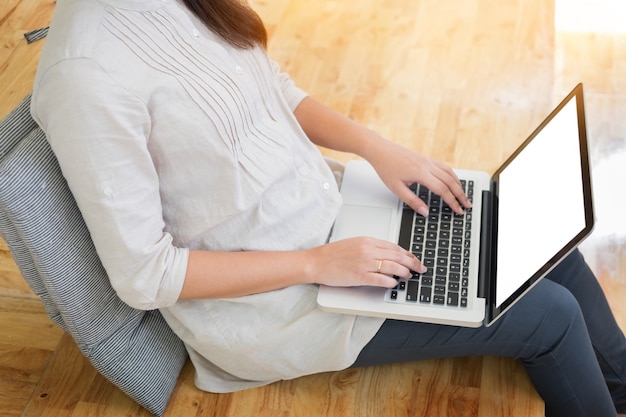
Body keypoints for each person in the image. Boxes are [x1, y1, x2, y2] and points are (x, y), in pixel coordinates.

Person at [30, 0, 626, 415]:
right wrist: (319, 263)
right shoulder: (84, 76)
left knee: (539, 239)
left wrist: (376, 147)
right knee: (551, 316)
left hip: (335, 212)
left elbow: (275, 90)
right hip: (280, 302)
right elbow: (146, 274)